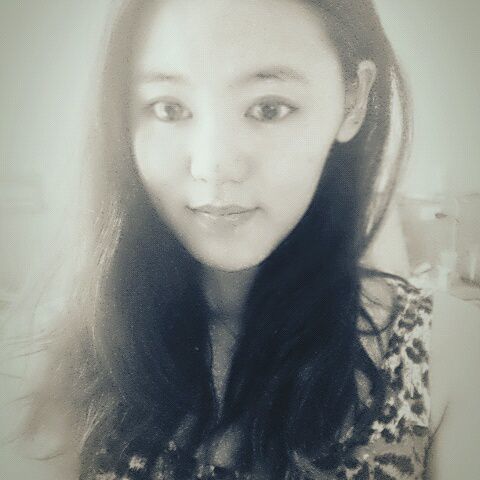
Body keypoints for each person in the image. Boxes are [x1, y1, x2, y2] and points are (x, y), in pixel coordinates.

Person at [13, 0, 480, 479]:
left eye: (268, 109)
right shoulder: (71, 349)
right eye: (169, 108)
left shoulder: (448, 356)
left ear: (353, 100)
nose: (213, 166)